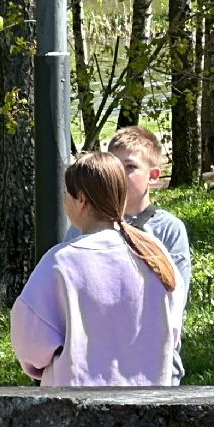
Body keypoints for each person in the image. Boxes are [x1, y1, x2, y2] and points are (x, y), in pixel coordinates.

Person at [12, 151, 184, 386]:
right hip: (149, 406)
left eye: (66, 195)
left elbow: (30, 344)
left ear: (81, 200)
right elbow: (172, 332)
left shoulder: (60, 262)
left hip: (77, 411)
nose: (64, 201)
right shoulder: (154, 253)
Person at [64, 126, 193, 382]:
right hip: (94, 367)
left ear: (153, 176)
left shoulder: (168, 230)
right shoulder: (82, 226)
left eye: (130, 167)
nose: (121, 174)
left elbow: (174, 299)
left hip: (154, 368)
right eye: (115, 167)